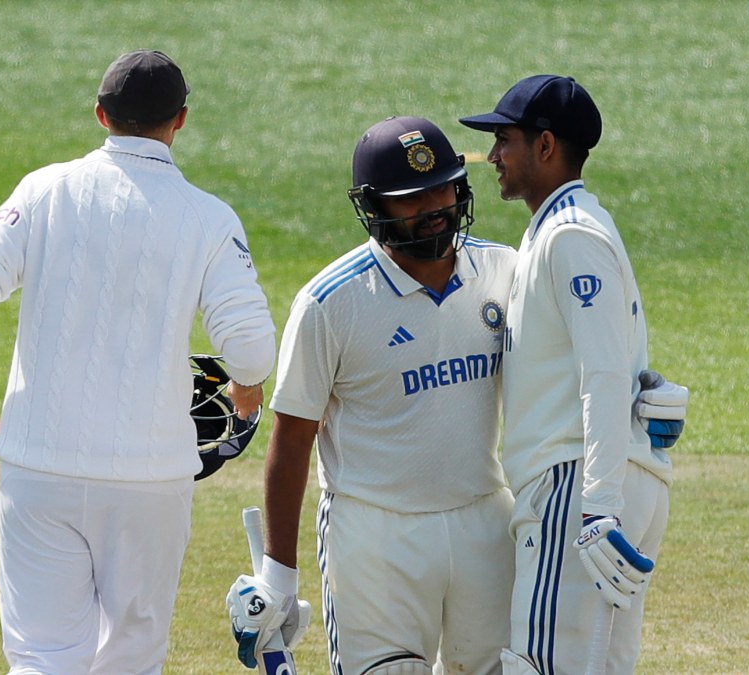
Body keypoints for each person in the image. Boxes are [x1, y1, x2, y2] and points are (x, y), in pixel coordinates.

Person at [0, 50, 275, 674]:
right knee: (132, 660)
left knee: (43, 659)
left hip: (38, 468)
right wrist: (246, 392)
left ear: (101, 114)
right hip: (152, 483)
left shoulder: (43, 191)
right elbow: (252, 348)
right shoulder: (209, 218)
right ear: (181, 121)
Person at [226, 116, 517, 675]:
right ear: (375, 206)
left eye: (443, 186)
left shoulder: (503, 270)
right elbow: (291, 444)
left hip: (485, 517)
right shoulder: (330, 303)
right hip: (376, 535)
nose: (435, 205)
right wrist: (278, 577)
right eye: (411, 197)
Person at [459, 75, 688, 674]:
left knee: (540, 665)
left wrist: (599, 507)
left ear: (545, 146)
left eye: (504, 140)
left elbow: (604, 371)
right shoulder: (559, 229)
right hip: (595, 477)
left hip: (575, 483)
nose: (493, 156)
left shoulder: (571, 237)